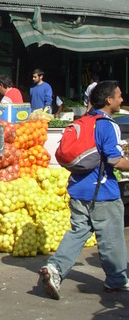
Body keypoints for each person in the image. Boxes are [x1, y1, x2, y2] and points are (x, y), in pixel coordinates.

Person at [38, 80, 129, 299]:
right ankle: (116, 280)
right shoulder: (107, 125)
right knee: (112, 237)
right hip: (103, 192)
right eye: (119, 96)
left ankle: (55, 269)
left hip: (78, 190)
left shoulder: (82, 121)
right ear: (109, 100)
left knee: (78, 232)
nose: (122, 99)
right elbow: (115, 160)